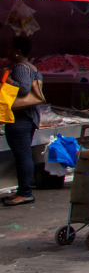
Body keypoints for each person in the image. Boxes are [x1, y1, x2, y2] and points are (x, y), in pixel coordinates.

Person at [1, 36, 41, 206]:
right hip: (27, 118)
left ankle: (25, 193)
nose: (7, 51)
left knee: (23, 156)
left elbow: (24, 89)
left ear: (17, 51)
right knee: (23, 155)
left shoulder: (20, 68)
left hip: (21, 118)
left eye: (10, 48)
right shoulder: (31, 67)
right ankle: (22, 191)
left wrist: (6, 78)